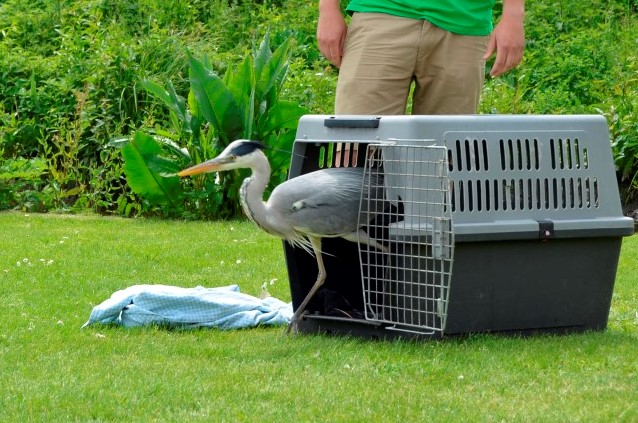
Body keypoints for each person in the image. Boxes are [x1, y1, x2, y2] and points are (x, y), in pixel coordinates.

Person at [317, 0, 525, 116]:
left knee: (444, 156)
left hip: (464, 21)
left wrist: (513, 14)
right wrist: (327, 8)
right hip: (380, 12)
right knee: (356, 149)